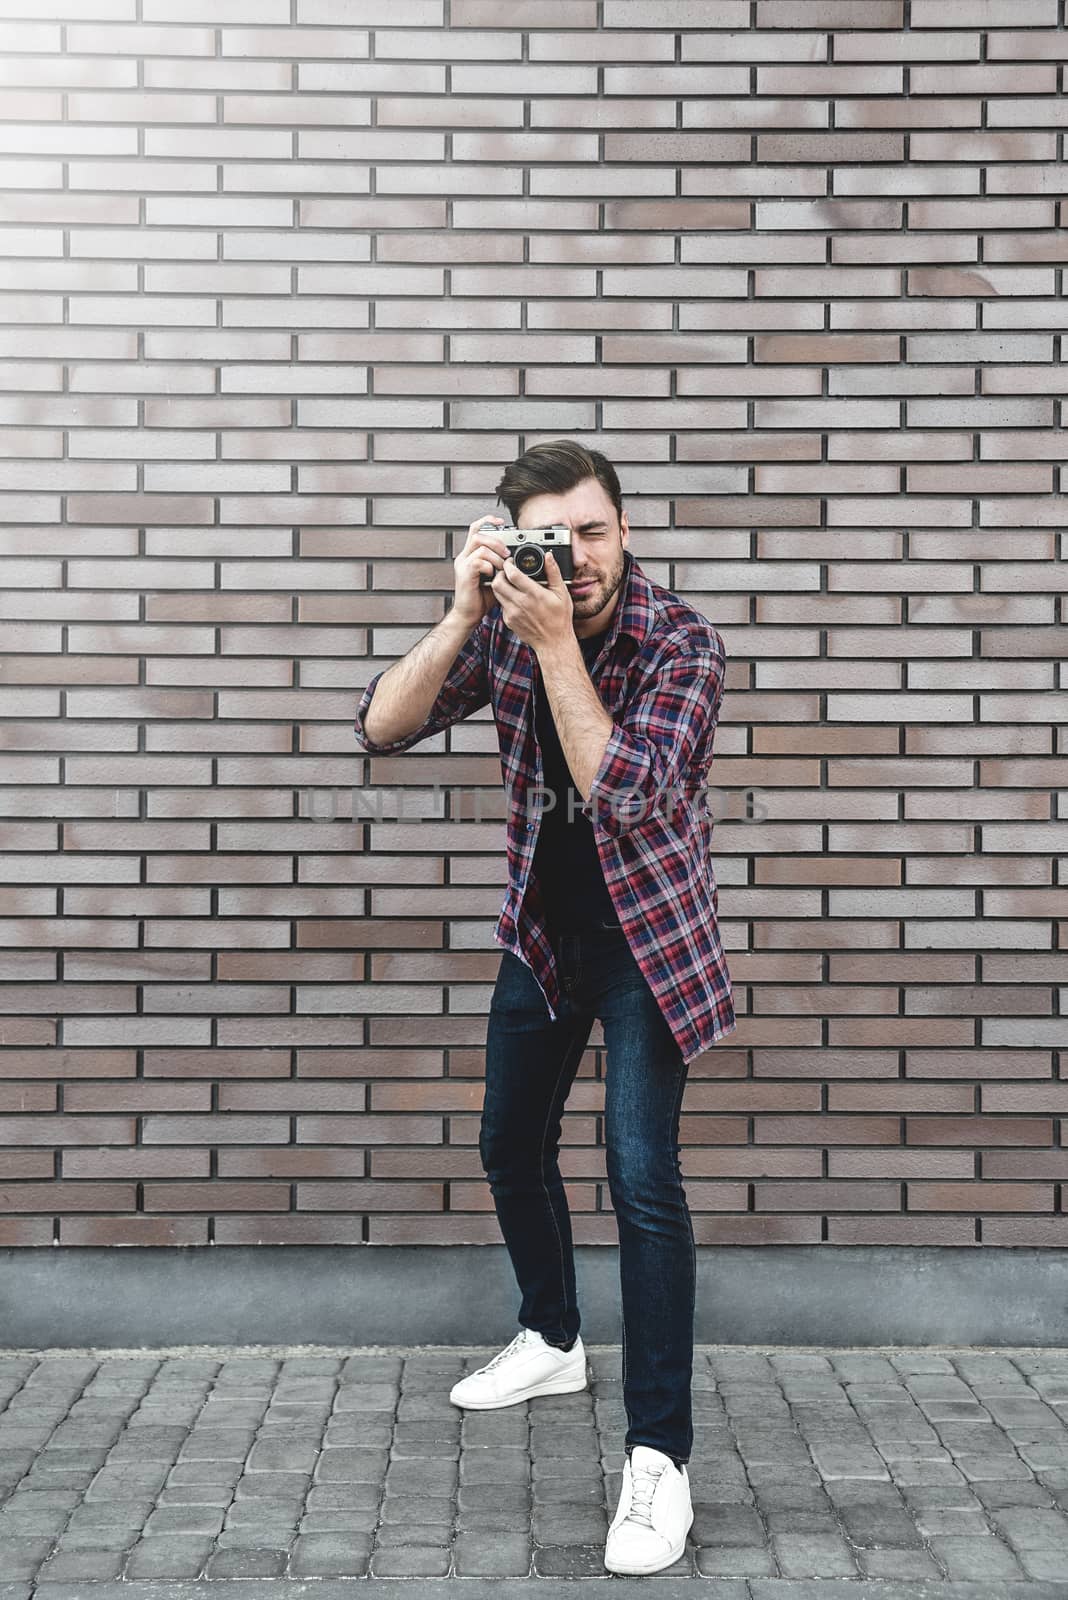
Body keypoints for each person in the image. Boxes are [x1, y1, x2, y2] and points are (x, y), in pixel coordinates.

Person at [352, 440, 734, 1576]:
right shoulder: (512, 625)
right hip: (543, 934)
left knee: (640, 1174)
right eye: (552, 538)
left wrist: (556, 644)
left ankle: (661, 1458)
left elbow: (623, 791)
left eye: (596, 532)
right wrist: (462, 612)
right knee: (507, 1140)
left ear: (626, 530)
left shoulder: (683, 647)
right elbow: (381, 724)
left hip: (650, 946)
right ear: (521, 539)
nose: (577, 558)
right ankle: (554, 1333)